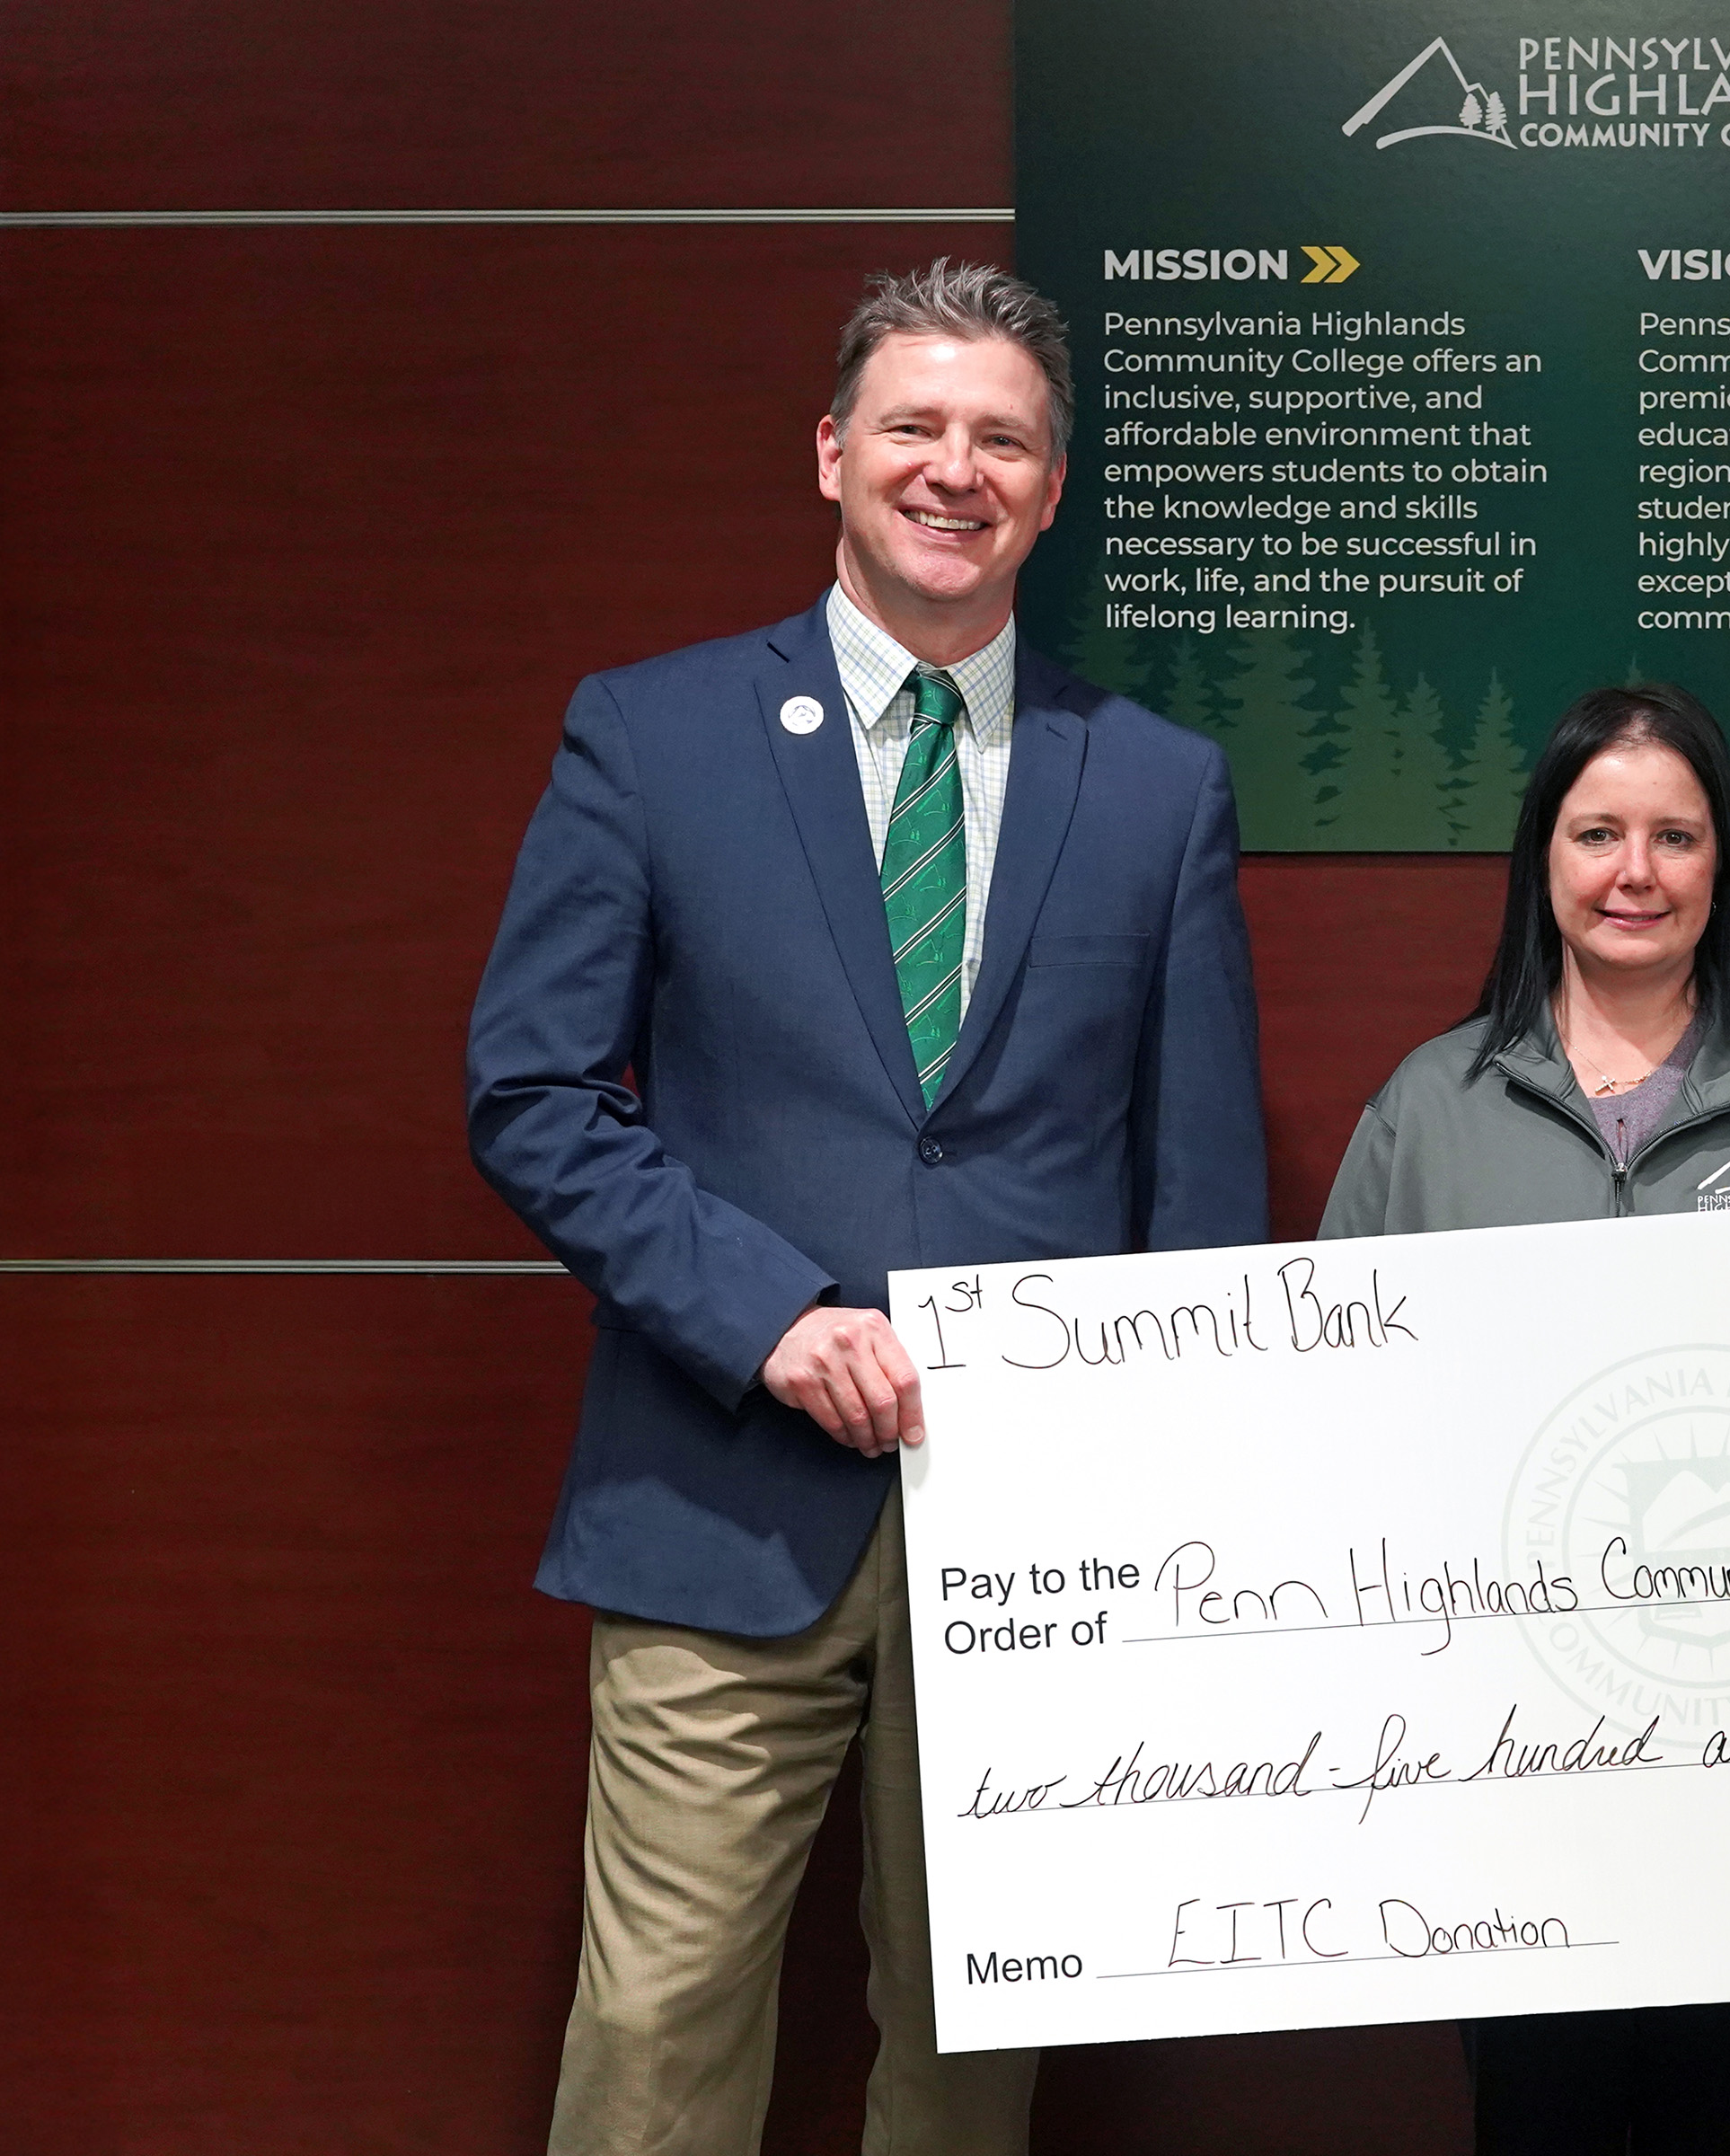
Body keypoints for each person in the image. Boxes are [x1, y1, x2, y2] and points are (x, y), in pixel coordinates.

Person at [467, 260, 1266, 2156]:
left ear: (1052, 491)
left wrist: (1175, 1517)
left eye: (1003, 439)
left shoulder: (1156, 789)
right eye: (914, 426)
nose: (954, 469)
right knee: (657, 2024)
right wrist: (769, 1314)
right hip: (719, 1484)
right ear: (833, 453)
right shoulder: (651, 739)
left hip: (1038, 1533)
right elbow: (533, 1093)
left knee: (979, 2042)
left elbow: (1202, 1194)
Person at [1320, 682, 1730, 2152]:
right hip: (1502, 1750)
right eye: (1597, 833)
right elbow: (1330, 1409)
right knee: (1539, 2113)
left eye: (1674, 836)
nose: (1633, 871)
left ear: (1724, 867)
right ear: (1543, 860)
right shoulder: (1429, 1107)